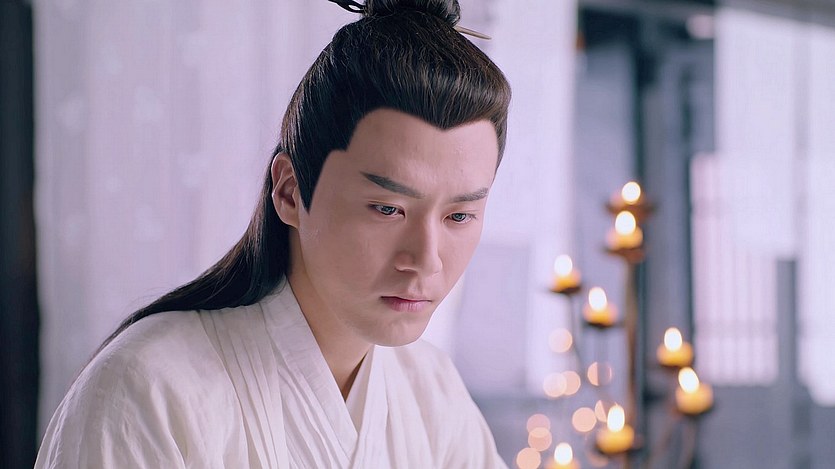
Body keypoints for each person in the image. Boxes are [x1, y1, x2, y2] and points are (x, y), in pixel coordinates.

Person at [35, 0, 511, 467]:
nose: (426, 260)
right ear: (289, 191)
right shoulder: (148, 389)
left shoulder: (432, 393)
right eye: (388, 208)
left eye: (459, 216)